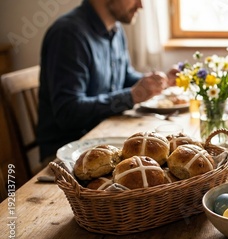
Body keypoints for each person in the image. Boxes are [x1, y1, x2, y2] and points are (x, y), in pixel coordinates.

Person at [37, 0, 172, 162]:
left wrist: (158, 82)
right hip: (68, 153)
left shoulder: (116, 30)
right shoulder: (68, 34)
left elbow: (126, 78)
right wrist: (131, 96)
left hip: (105, 138)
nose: (140, 5)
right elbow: (68, 113)